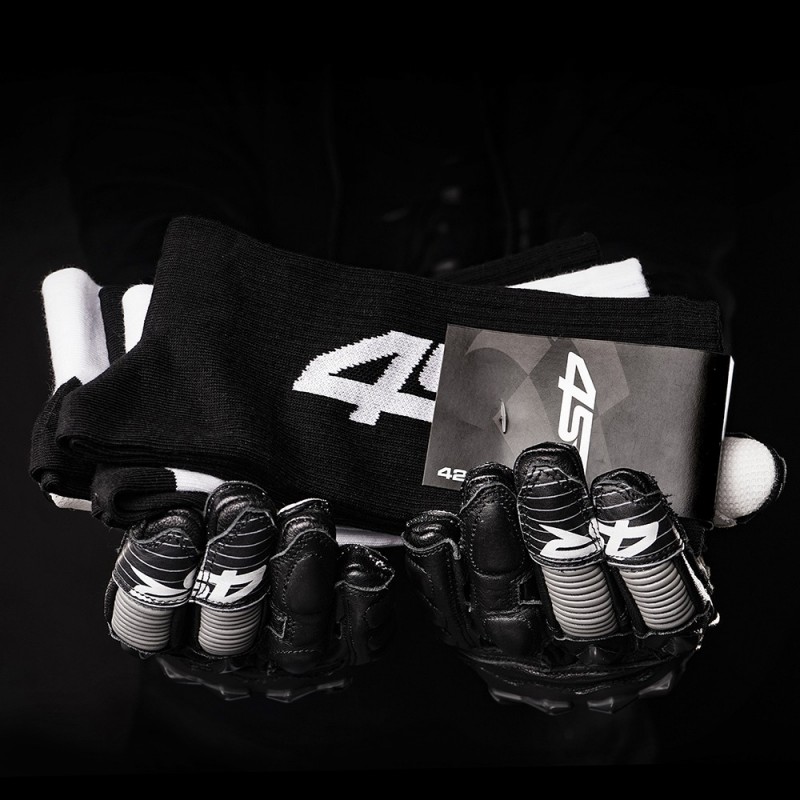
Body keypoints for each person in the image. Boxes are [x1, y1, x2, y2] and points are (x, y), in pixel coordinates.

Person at [30, 68, 787, 769]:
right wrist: (170, 444)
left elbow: (654, 239)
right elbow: (162, 251)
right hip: (233, 721)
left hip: (563, 714)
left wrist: (661, 422)